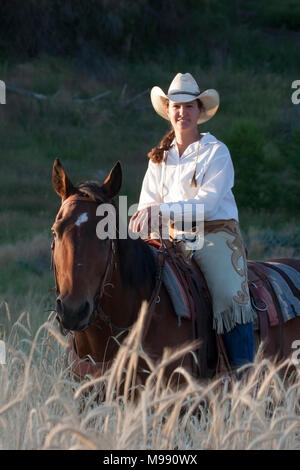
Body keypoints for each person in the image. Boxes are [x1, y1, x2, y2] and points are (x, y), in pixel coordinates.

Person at [129, 72, 256, 370]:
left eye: (188, 106)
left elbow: (208, 205)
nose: (182, 112)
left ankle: (244, 375)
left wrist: (162, 212)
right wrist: (142, 221)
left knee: (227, 294)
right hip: (171, 239)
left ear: (200, 111)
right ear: (168, 111)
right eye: (176, 106)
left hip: (214, 235)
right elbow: (148, 202)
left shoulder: (216, 152)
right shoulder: (159, 158)